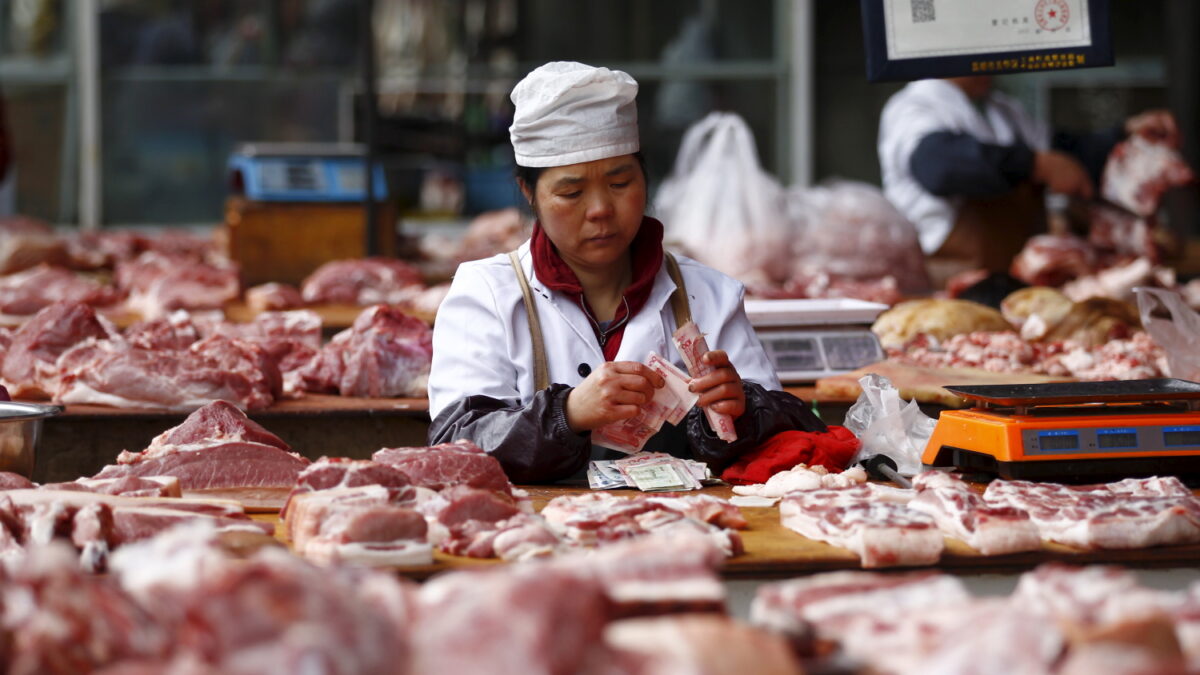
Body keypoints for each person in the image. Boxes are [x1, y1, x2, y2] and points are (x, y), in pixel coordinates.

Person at [427, 61, 823, 484]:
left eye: (620, 183)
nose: (600, 209)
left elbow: (792, 433)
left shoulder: (708, 293)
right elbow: (457, 446)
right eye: (571, 191)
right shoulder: (485, 294)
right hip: (540, 542)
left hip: (686, 532)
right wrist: (569, 414)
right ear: (530, 193)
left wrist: (743, 411)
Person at [878, 75, 1179, 282]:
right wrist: (1035, 164)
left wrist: (1124, 132)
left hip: (1018, 273)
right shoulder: (914, 105)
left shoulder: (1001, 108)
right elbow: (939, 166)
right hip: (948, 280)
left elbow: (1069, 153)